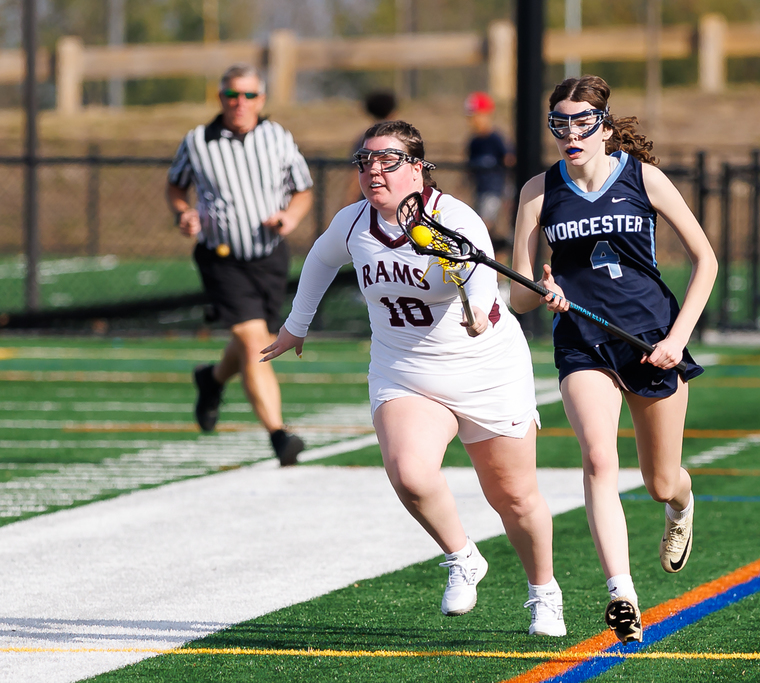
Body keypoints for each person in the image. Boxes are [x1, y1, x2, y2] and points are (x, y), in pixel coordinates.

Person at [260, 120, 566, 636]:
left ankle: (543, 593)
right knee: (409, 473)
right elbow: (319, 259)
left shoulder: (455, 218)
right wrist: (296, 326)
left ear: (419, 167)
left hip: (484, 369)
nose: (374, 170)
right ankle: (463, 556)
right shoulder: (354, 222)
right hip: (405, 371)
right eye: (366, 160)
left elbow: (480, 281)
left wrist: (480, 310)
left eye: (388, 160)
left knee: (513, 496)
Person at [509, 75, 718, 645]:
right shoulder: (537, 191)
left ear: (603, 125)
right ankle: (621, 594)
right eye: (559, 123)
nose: (570, 133)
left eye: (581, 122)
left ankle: (682, 501)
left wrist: (677, 338)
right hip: (581, 341)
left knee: (659, 481)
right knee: (599, 459)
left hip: (651, 341)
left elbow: (706, 260)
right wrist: (541, 287)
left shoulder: (643, 177)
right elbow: (518, 294)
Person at [166, 63, 313, 467]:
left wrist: (290, 218)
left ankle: (211, 380)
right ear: (221, 98)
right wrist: (184, 213)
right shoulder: (198, 141)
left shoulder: (278, 137)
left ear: (261, 99)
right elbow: (176, 186)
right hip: (222, 258)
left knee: (253, 338)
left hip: (268, 256)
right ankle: (280, 437)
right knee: (254, 344)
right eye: (233, 95)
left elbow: (302, 190)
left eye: (249, 95)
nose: (240, 103)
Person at [464, 91, 514, 252]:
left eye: (476, 115)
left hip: (495, 191)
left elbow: (509, 161)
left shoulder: (495, 138)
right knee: (487, 231)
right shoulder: (474, 141)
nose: (473, 120)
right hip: (480, 191)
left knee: (483, 226)